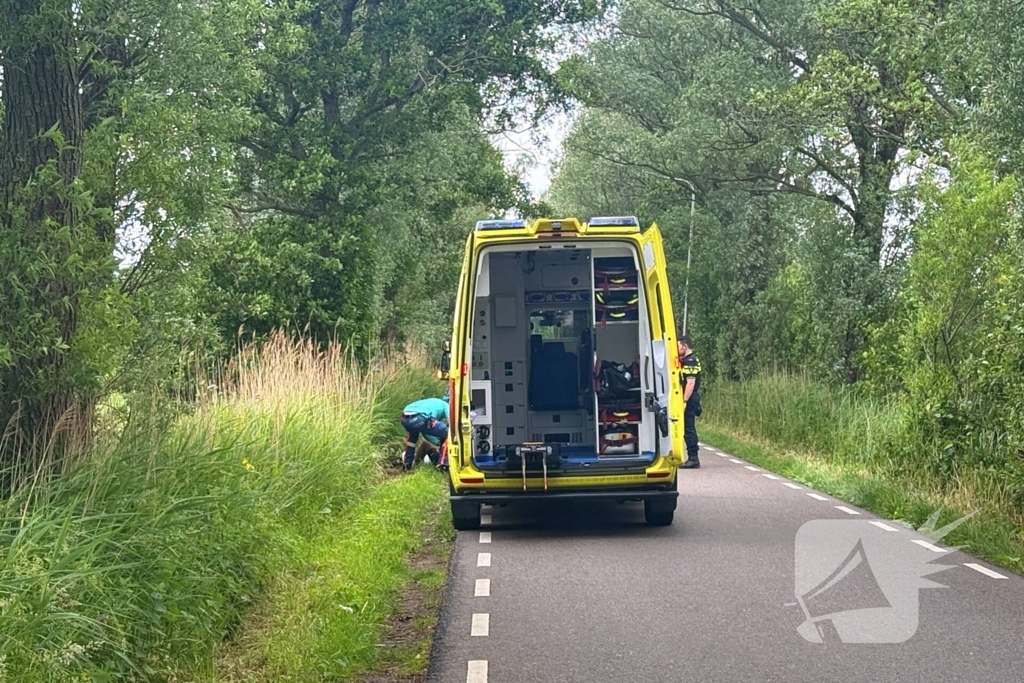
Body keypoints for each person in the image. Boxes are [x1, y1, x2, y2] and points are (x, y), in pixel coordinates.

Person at [400, 393, 450, 471]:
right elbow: (452, 424)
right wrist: (439, 442)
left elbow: (426, 432)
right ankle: (443, 464)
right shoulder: (446, 405)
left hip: (405, 418)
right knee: (448, 433)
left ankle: (407, 465)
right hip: (420, 417)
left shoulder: (432, 403)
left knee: (412, 440)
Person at [678, 335, 702, 469]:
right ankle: (692, 456)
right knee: (687, 427)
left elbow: (690, 383)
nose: (677, 349)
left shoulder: (690, 361)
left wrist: (684, 401)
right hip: (691, 397)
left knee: (688, 427)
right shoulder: (687, 360)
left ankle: (693, 458)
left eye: (678, 346)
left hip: (690, 397)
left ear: (685, 346)